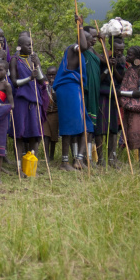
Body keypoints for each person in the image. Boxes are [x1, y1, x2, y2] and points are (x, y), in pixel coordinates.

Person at [53, 16, 92, 171]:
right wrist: (80, 26)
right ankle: (65, 162)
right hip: (68, 89)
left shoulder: (81, 53)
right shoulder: (73, 48)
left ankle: (78, 159)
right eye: (88, 40)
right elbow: (82, 45)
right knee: (70, 125)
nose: (90, 43)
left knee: (85, 125)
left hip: (73, 88)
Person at [10, 35, 48, 174]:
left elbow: (42, 80)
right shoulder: (15, 60)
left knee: (35, 134)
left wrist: (37, 65)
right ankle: (19, 167)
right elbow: (14, 82)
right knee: (19, 134)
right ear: (20, 46)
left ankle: (31, 166)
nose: (31, 47)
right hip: (21, 101)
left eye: (32, 44)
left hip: (35, 100)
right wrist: (28, 78)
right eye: (28, 45)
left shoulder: (33, 59)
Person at [94, 37, 125, 167]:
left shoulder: (121, 61)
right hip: (102, 96)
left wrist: (114, 68)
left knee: (113, 129)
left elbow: (121, 79)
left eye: (122, 50)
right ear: (112, 48)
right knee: (100, 128)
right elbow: (98, 80)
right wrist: (107, 67)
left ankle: (112, 159)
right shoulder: (101, 59)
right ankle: (100, 160)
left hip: (114, 97)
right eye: (117, 50)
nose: (119, 52)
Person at [82, 27, 101, 165]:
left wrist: (104, 41)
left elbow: (105, 59)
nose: (95, 39)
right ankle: (83, 156)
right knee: (85, 125)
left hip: (95, 92)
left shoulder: (93, 51)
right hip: (86, 92)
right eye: (92, 36)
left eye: (96, 37)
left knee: (91, 127)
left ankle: (88, 156)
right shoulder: (81, 51)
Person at [42, 66, 58, 162]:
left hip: (55, 113)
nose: (51, 76)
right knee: (46, 134)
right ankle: (46, 156)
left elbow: (56, 98)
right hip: (46, 113)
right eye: (49, 75)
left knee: (54, 135)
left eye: (53, 74)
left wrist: (54, 86)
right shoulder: (44, 85)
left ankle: (52, 155)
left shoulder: (58, 85)